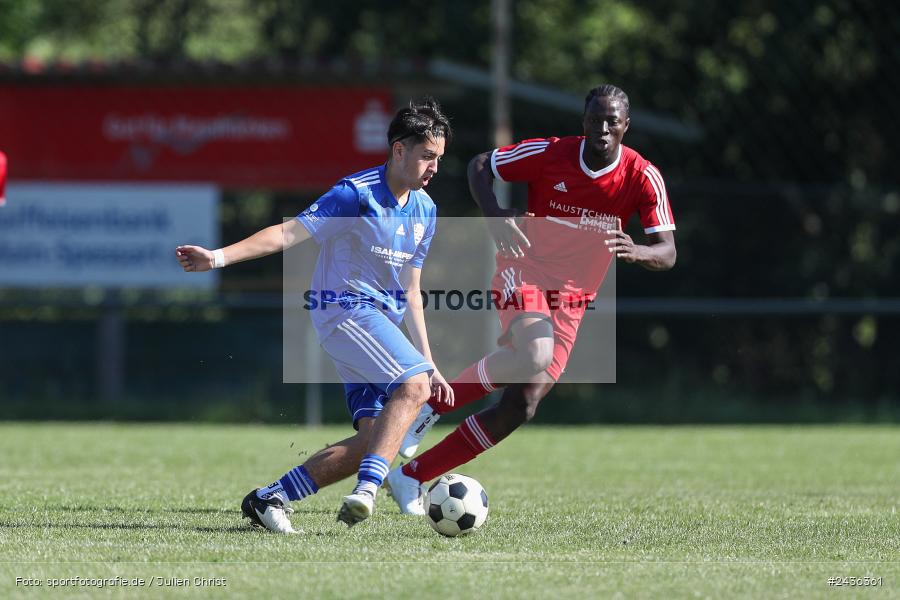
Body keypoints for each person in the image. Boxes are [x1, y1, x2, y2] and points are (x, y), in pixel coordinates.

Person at [385, 85, 677, 515]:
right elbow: (480, 165)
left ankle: (409, 476)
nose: (602, 128)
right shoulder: (553, 153)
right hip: (525, 270)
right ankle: (432, 405)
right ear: (584, 121)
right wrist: (494, 213)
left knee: (521, 405)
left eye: (612, 121)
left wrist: (638, 251)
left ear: (625, 126)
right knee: (535, 353)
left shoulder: (641, 176)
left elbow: (667, 251)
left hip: (573, 300)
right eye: (595, 119)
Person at [176, 98, 454, 532]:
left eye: (439, 158)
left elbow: (412, 290)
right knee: (412, 387)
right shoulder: (355, 193)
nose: (435, 166)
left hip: (379, 324)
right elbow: (288, 232)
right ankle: (367, 491)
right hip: (344, 311)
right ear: (399, 150)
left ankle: (271, 498)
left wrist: (429, 358)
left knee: (374, 439)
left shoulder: (426, 211)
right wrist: (216, 258)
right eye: (428, 156)